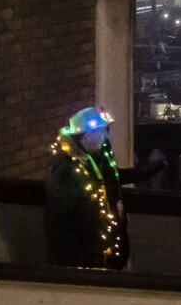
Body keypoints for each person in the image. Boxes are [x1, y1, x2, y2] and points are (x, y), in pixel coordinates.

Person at [45, 107, 136, 269]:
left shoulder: (89, 160)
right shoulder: (68, 171)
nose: (106, 136)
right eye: (101, 132)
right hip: (85, 260)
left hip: (98, 254)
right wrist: (78, 263)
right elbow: (58, 224)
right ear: (87, 136)